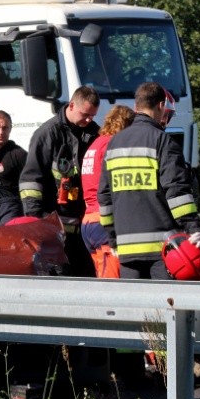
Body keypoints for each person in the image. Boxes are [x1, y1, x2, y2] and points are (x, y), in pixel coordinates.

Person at [97, 82, 200, 279]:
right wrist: (193, 227)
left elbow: (104, 198)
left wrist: (112, 238)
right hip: (162, 249)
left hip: (126, 250)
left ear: (136, 106)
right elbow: (177, 191)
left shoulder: (114, 144)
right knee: (164, 299)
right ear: (161, 105)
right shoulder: (162, 141)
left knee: (134, 299)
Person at [19, 86, 101, 277]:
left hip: (85, 226)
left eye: (92, 116)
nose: (89, 120)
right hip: (54, 227)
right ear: (71, 106)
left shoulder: (94, 133)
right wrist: (35, 220)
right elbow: (30, 181)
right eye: (85, 115)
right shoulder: (47, 134)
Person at [80, 105, 135, 277]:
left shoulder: (96, 144)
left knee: (103, 277)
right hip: (104, 222)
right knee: (113, 284)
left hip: (89, 221)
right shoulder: (112, 146)